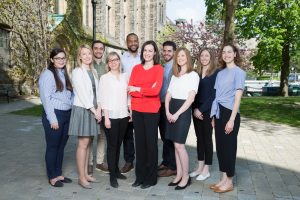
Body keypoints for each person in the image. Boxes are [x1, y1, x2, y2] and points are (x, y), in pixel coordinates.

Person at [210, 43, 246, 193]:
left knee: (229, 148)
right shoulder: (220, 73)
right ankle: (223, 178)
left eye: (229, 52)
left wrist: (231, 119)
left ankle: (229, 181)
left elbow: (238, 98)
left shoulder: (239, 72)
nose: (226, 54)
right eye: (224, 52)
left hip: (230, 113)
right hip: (219, 113)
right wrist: (213, 116)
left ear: (235, 54)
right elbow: (216, 96)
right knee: (220, 148)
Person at [128, 40, 164, 189]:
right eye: (145, 50)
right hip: (137, 110)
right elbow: (129, 89)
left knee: (151, 145)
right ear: (142, 53)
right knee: (140, 144)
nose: (147, 53)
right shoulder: (136, 68)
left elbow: (156, 91)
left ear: (155, 53)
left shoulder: (158, 69)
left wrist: (139, 89)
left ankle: (151, 178)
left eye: (150, 50)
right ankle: (139, 177)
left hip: (151, 112)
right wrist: (140, 90)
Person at [165, 47, 199, 190]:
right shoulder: (175, 74)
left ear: (188, 57)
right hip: (171, 110)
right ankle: (178, 175)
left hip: (182, 112)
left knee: (180, 145)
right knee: (175, 145)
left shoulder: (193, 75)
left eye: (183, 55)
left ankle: (186, 177)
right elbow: (168, 94)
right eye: (178, 56)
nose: (180, 58)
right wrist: (167, 111)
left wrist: (177, 114)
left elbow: (191, 98)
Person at [68, 44, 101, 189]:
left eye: (89, 53)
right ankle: (81, 177)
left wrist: (99, 108)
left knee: (89, 143)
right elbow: (81, 93)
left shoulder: (93, 71)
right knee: (83, 143)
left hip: (94, 109)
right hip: (83, 109)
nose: (87, 56)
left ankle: (87, 174)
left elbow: (97, 92)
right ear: (79, 56)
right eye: (84, 54)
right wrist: (94, 110)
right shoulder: (76, 72)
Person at [39, 48, 73, 187]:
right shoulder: (47, 74)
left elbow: (68, 93)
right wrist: (52, 119)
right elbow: (45, 98)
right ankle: (52, 176)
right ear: (52, 60)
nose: (61, 60)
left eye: (63, 58)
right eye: (58, 58)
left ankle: (58, 173)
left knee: (61, 146)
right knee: (53, 147)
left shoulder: (63, 72)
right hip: (55, 114)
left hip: (66, 114)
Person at [99, 52, 130, 188]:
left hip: (123, 115)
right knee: (112, 146)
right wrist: (106, 117)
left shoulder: (125, 76)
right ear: (108, 63)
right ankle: (112, 175)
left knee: (118, 144)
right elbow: (102, 98)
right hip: (110, 116)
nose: (113, 62)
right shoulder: (105, 78)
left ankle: (116, 171)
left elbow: (129, 95)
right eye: (110, 60)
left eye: (115, 60)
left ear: (119, 61)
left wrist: (130, 110)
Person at [190, 48, 219, 181]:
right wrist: (195, 109)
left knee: (207, 139)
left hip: (207, 110)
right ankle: (200, 167)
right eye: (202, 55)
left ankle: (206, 169)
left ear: (211, 57)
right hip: (195, 110)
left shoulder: (216, 73)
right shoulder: (196, 73)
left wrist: (201, 110)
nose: (204, 57)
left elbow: (214, 95)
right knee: (199, 138)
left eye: (207, 55)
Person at [120, 33, 141, 174]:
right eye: (130, 41)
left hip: (141, 100)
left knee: (141, 133)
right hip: (125, 100)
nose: (133, 43)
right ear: (127, 43)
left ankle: (142, 160)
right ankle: (129, 161)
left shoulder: (143, 58)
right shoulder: (122, 59)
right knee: (127, 134)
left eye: (135, 41)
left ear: (138, 42)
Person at [88, 40, 109, 174]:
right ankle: (89, 162)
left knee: (102, 135)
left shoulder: (106, 66)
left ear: (103, 50)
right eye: (96, 48)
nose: (98, 51)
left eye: (101, 49)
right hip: (91, 104)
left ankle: (99, 162)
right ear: (92, 50)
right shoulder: (87, 65)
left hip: (105, 104)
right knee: (90, 134)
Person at [157, 41, 177, 177]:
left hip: (171, 107)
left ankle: (173, 167)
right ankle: (166, 161)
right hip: (161, 105)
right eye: (164, 50)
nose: (166, 53)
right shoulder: (162, 67)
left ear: (174, 52)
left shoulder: (177, 68)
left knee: (170, 137)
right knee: (164, 136)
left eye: (169, 51)